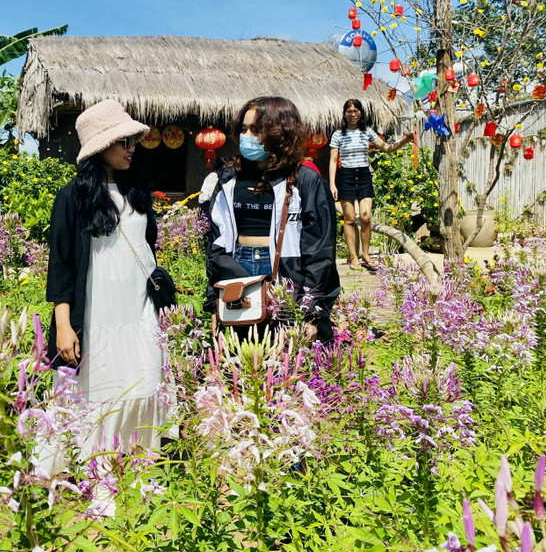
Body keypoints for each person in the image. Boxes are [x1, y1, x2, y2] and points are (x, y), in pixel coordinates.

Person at [46, 99, 174, 457]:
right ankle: (99, 466)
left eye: (133, 141)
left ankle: (140, 458)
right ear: (101, 148)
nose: (132, 148)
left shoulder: (137, 189)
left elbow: (147, 246)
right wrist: (63, 325)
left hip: (141, 307)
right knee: (102, 386)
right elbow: (61, 264)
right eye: (124, 142)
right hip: (99, 310)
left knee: (148, 376)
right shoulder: (73, 197)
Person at [205, 96, 340, 342]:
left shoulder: (306, 182)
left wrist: (310, 312)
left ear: (280, 133)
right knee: (241, 357)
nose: (246, 135)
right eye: (243, 129)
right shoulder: (227, 180)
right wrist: (213, 299)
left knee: (288, 356)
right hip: (237, 268)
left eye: (255, 130)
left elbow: (320, 253)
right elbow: (215, 245)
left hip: (287, 274)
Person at [328, 99, 414, 271]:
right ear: (344, 114)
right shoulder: (338, 134)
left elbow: (387, 148)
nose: (353, 114)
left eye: (356, 111)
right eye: (349, 111)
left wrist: (405, 140)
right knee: (350, 219)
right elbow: (332, 161)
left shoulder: (367, 132)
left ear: (361, 113)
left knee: (366, 218)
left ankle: (366, 255)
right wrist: (332, 185)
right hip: (346, 176)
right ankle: (353, 256)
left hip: (364, 175)